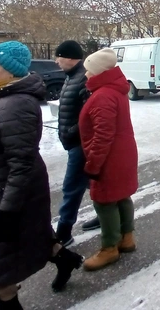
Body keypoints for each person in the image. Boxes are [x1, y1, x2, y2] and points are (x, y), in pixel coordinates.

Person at [0, 41, 84, 309]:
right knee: (34, 235)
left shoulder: (16, 105)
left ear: (11, 71)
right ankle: (64, 259)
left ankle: (8, 302)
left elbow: (21, 162)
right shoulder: (1, 97)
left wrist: (7, 210)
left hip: (3, 193)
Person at [79, 48, 139, 271]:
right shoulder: (115, 90)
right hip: (122, 153)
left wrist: (93, 164)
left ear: (99, 72)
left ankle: (109, 247)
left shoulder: (103, 95)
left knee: (104, 201)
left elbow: (103, 135)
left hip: (110, 157)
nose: (85, 75)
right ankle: (127, 237)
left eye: (88, 70)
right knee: (122, 196)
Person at [54, 40, 99, 246]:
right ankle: (105, 214)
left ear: (71, 58)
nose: (56, 61)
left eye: (59, 57)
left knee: (71, 186)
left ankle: (63, 232)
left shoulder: (83, 79)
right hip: (73, 141)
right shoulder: (71, 77)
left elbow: (87, 116)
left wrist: (71, 132)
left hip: (80, 144)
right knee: (91, 182)